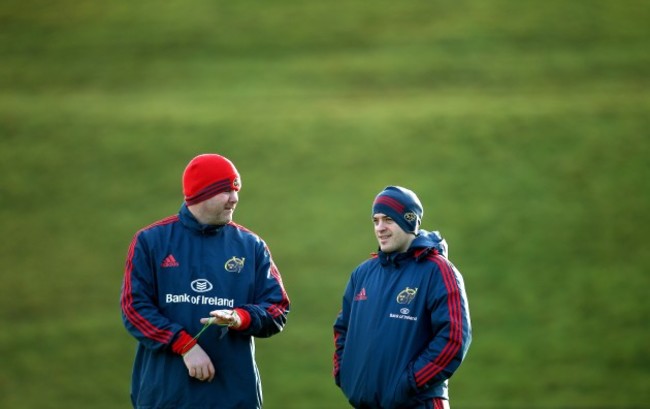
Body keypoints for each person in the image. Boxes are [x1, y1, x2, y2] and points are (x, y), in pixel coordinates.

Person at [121, 153, 290, 409]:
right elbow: (134, 309)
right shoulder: (150, 242)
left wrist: (239, 317)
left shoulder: (251, 247)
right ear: (200, 194)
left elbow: (277, 308)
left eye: (236, 190)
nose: (235, 199)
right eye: (226, 191)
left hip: (233, 398)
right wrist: (185, 345)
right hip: (165, 397)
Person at [333, 186, 471, 409]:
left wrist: (409, 382)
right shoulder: (363, 273)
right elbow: (342, 330)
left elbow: (453, 339)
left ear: (409, 221)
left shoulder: (437, 270)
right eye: (375, 220)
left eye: (388, 219)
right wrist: (345, 375)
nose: (380, 228)